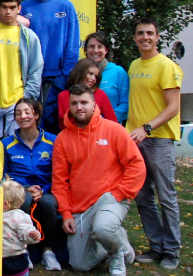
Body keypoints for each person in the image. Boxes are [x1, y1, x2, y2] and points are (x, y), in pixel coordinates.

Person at [52, 84, 144, 276]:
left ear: (94, 104)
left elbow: (137, 165)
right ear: (69, 106)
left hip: (111, 197)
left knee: (102, 228)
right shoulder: (62, 139)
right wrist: (67, 214)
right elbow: (59, 182)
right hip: (81, 207)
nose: (80, 107)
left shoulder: (114, 130)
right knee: (80, 265)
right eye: (75, 103)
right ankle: (116, 238)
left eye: (84, 102)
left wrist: (121, 192)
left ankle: (116, 252)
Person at [127, 19, 183, 270]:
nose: (145, 37)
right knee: (143, 197)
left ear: (157, 37)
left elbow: (173, 107)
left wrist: (147, 128)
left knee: (166, 197)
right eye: (140, 33)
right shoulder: (134, 65)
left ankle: (171, 250)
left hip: (159, 140)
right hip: (135, 141)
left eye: (150, 33)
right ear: (135, 38)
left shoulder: (167, 66)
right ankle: (156, 245)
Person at [3, 97, 64, 271]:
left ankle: (48, 252)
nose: (23, 116)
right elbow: (4, 176)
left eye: (27, 112)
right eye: (18, 113)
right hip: (18, 192)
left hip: (48, 190)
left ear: (36, 115)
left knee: (48, 203)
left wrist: (44, 190)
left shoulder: (53, 141)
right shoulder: (6, 143)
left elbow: (59, 172)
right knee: (25, 200)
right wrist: (23, 189)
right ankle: (24, 251)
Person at [20, 0, 81, 132]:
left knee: (52, 121)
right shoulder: (24, 7)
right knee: (29, 119)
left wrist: (67, 75)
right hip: (29, 76)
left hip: (56, 76)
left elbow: (72, 43)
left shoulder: (66, 6)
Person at [0, 0, 43, 138]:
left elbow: (36, 69)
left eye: (12, 7)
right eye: (4, 7)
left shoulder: (29, 36)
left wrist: (27, 97)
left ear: (19, 9)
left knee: (16, 145)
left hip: (17, 101)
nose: (8, 12)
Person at [85, 33, 130, 126]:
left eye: (99, 47)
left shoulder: (118, 72)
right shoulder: (79, 72)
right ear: (85, 50)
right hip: (84, 129)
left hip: (111, 128)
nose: (95, 50)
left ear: (106, 50)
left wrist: (106, 120)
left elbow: (127, 104)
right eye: (91, 47)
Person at [58, 58, 118, 124]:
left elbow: (112, 121)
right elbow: (63, 124)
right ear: (80, 72)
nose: (93, 79)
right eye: (90, 74)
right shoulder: (63, 96)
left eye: (96, 76)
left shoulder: (100, 94)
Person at [2, 179, 43, 276]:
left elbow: (25, 229)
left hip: (15, 258)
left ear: (5, 203)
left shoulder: (19, 216)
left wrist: (31, 234)